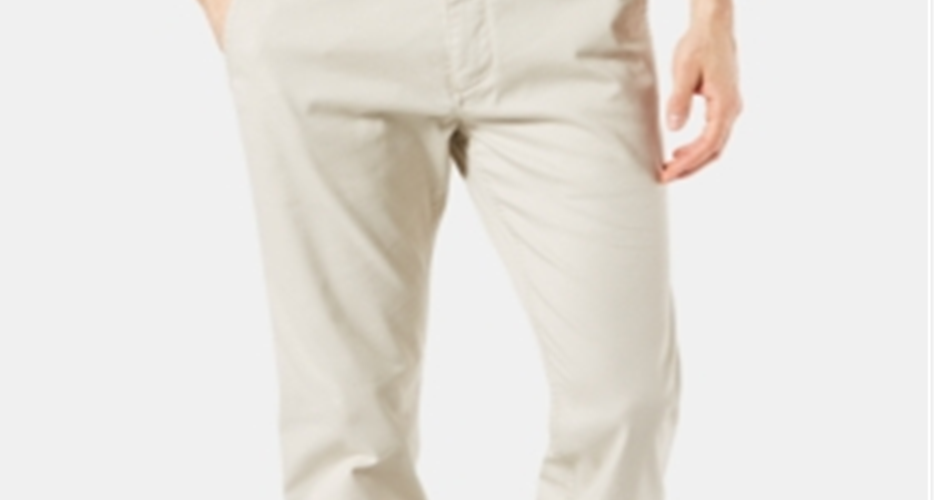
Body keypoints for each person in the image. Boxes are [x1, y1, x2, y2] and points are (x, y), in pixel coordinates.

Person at [196, 0, 741, 497]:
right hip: (324, 36)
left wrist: (712, 21)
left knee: (626, 399)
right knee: (346, 423)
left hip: (567, 33)